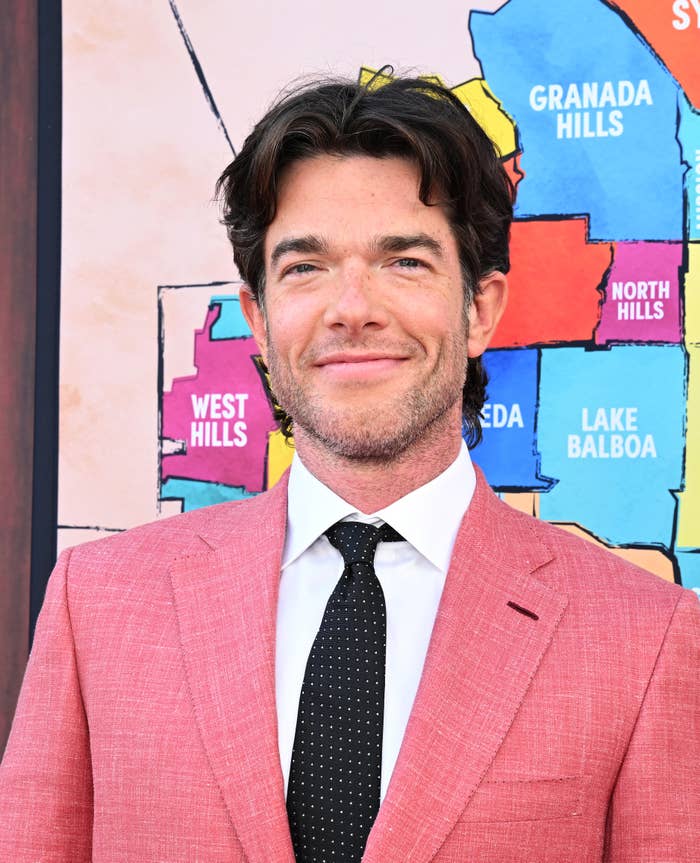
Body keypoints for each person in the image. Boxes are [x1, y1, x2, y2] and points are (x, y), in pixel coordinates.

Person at [1, 75, 698, 863]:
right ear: (258, 318)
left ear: (480, 309)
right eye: (306, 267)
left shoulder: (646, 640)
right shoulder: (96, 606)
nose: (352, 307)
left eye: (402, 261)